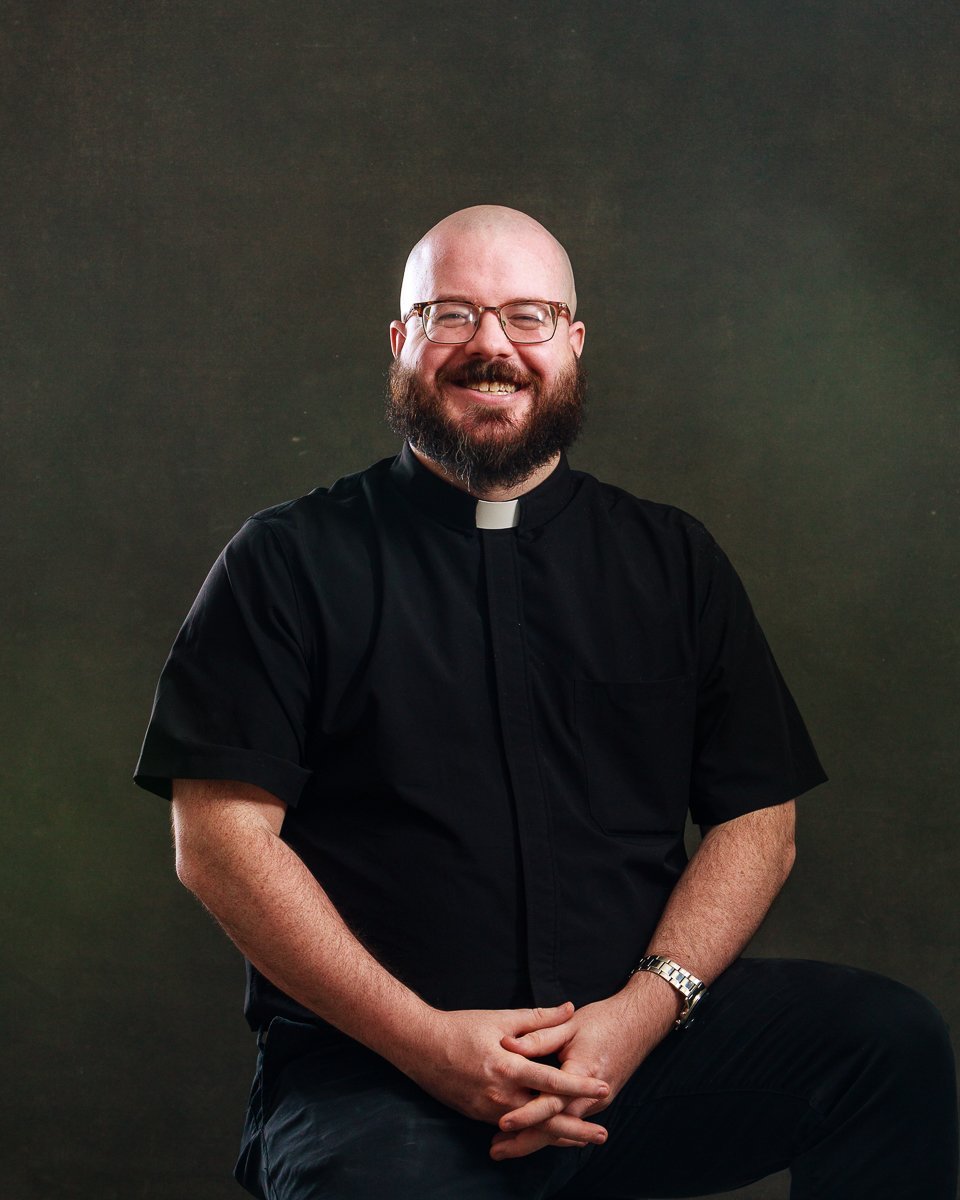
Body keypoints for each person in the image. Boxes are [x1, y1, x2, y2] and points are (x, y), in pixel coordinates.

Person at [135, 205, 958, 1199]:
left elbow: (758, 818)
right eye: (452, 316)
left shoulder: (671, 559)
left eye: (528, 317)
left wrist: (640, 1017)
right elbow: (218, 839)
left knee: (887, 1047)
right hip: (381, 1078)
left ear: (571, 344)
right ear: (400, 344)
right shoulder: (285, 561)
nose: (493, 346)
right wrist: (431, 1045)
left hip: (635, 1055)